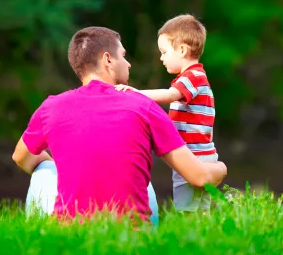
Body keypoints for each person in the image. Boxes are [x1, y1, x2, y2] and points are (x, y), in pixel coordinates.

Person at [12, 26, 227, 225]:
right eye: (123, 56)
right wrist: (221, 167)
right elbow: (199, 177)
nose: (129, 63)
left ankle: (57, 225)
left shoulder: (52, 107)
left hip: (72, 235)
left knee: (45, 169)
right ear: (108, 59)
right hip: (133, 234)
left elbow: (21, 157)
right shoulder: (144, 107)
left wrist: (62, 166)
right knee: (145, 184)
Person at [115, 14, 218, 214]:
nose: (161, 57)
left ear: (182, 50)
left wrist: (136, 93)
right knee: (201, 210)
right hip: (202, 156)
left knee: (185, 209)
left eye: (164, 52)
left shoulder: (193, 77)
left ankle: (186, 239)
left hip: (193, 157)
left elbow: (171, 95)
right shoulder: (196, 77)